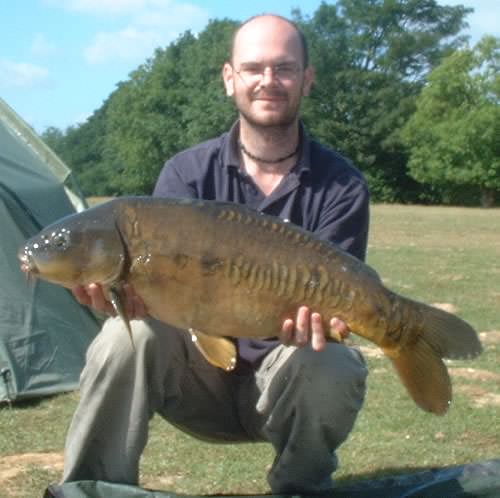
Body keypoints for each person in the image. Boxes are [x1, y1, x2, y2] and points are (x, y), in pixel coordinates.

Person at [64, 14, 370, 494]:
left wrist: (323, 323)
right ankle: (89, 488)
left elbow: (338, 304)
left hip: (285, 378)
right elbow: (153, 297)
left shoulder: (342, 184)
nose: (268, 81)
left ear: (307, 79)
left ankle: (301, 486)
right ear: (230, 79)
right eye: (253, 68)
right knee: (124, 337)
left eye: (284, 68)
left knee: (332, 362)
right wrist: (121, 299)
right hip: (195, 381)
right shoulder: (184, 174)